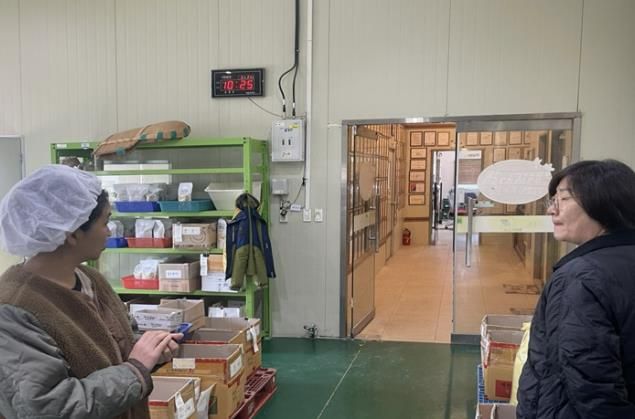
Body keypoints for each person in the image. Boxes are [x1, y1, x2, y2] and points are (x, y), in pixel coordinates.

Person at [0, 165, 182, 419]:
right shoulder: (14, 310)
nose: (110, 231)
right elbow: (46, 408)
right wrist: (135, 370)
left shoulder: (90, 279)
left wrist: (150, 350)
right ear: (72, 233)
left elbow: (114, 341)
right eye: (105, 222)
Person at [517, 159, 635, 418]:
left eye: (564, 199)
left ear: (602, 202)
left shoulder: (580, 278)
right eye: (553, 201)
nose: (552, 210)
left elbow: (591, 387)